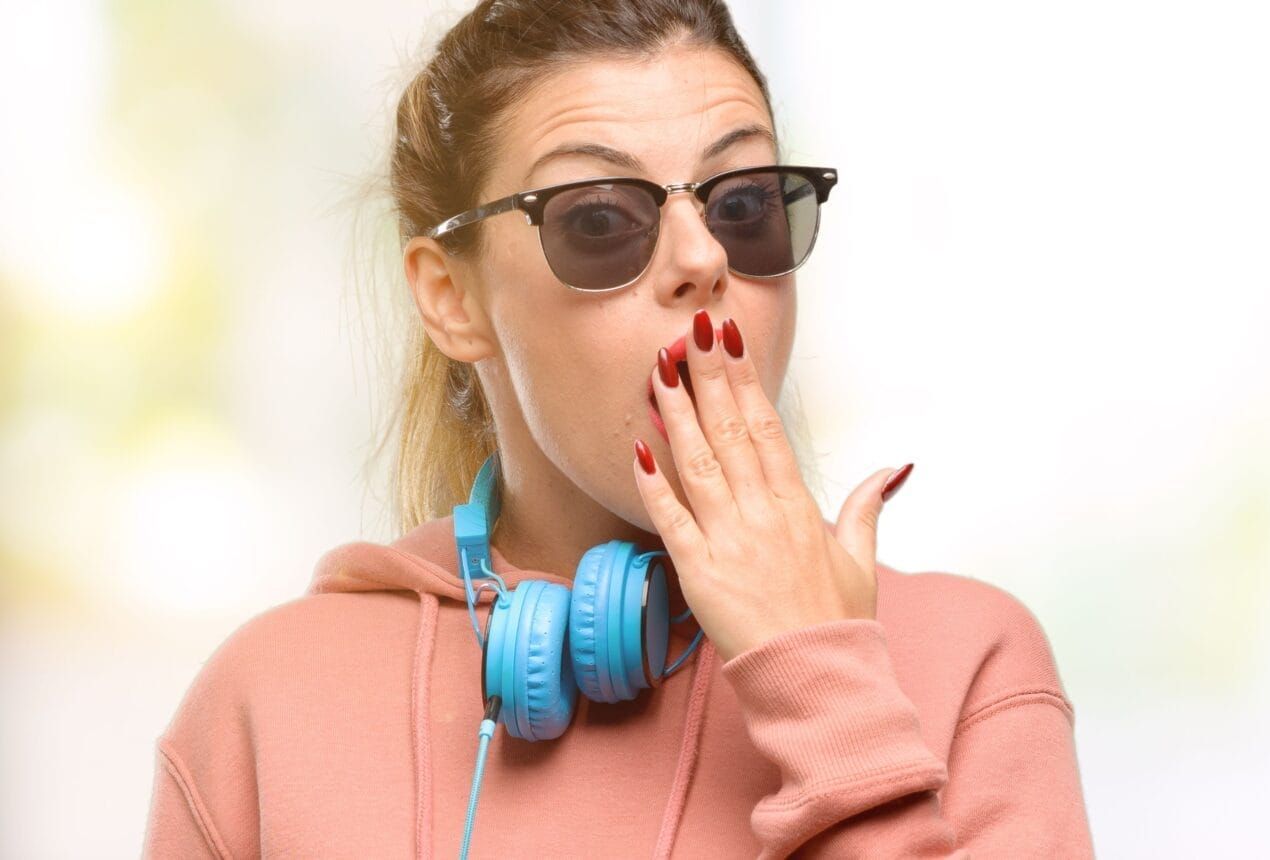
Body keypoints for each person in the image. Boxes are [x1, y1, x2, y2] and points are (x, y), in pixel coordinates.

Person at [139, 1, 1093, 856]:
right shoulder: (268, 702)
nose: (700, 256)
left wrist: (828, 689)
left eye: (746, 204)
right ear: (451, 297)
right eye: (600, 218)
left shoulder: (971, 666)